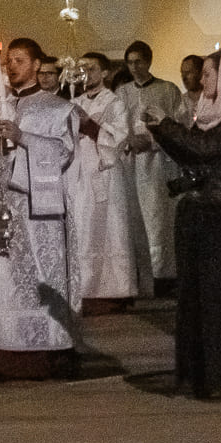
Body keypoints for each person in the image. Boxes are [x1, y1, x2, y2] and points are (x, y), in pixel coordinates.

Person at [147, 51, 221, 403]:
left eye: (210, 75)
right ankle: (202, 375)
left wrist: (167, 127)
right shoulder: (209, 116)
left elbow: (207, 148)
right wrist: (161, 131)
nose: (203, 82)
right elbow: (191, 153)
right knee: (197, 299)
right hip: (200, 214)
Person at [0, 37, 79, 380]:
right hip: (0, 208)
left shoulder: (58, 108)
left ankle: (44, 353)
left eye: (18, 60)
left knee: (38, 278)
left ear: (35, 64)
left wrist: (23, 137)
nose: (11, 67)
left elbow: (64, 152)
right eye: (7, 62)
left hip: (37, 211)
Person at [65, 53, 149, 312]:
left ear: (104, 73)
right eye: (81, 69)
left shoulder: (115, 103)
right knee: (81, 226)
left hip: (105, 174)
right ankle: (81, 287)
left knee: (107, 228)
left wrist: (89, 125)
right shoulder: (74, 101)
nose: (85, 74)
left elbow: (119, 140)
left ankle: (113, 289)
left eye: (91, 69)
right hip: (78, 174)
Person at [117, 41, 183, 295]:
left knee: (158, 219)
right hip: (131, 165)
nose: (134, 67)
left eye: (138, 62)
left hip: (158, 166)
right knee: (134, 219)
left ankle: (163, 277)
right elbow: (116, 128)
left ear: (149, 61)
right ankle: (139, 277)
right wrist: (128, 139)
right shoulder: (122, 93)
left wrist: (154, 141)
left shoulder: (168, 90)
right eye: (129, 62)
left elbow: (179, 125)